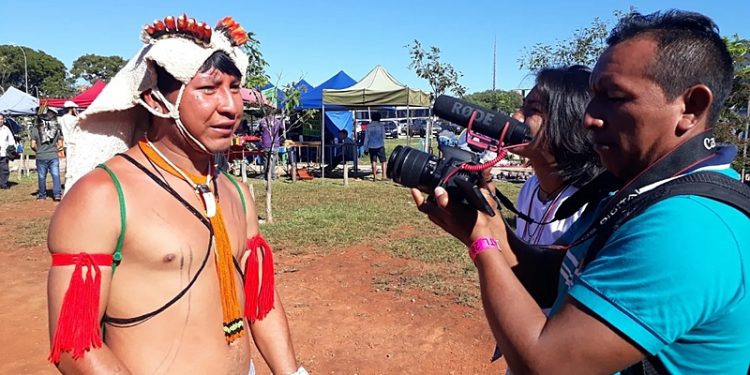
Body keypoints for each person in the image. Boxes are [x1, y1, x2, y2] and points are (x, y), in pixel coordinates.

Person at [412, 10, 749, 374]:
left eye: (614, 97)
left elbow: (547, 365)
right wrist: (484, 225)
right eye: (593, 97)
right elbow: (558, 281)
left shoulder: (689, 226)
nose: (589, 117)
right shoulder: (647, 193)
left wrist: (484, 245)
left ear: (691, 106)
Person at [48, 14, 305, 374]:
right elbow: (74, 346)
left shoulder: (237, 192)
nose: (231, 106)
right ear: (154, 101)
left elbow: (261, 302)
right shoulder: (101, 197)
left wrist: (292, 373)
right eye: (209, 89)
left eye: (234, 88)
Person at [509, 66, 602, 246]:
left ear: (569, 123)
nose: (516, 117)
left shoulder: (589, 207)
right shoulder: (530, 188)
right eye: (522, 106)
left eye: (533, 109)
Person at [31, 108, 63, 201]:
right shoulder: (57, 128)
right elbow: (60, 144)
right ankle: (57, 195)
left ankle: (42, 195)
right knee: (56, 175)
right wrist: (54, 150)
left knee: (41, 176)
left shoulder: (35, 129)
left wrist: (38, 150)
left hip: (41, 156)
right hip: (53, 155)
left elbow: (32, 145)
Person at [363, 112, 387, 180]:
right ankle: (384, 176)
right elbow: (384, 136)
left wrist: (366, 149)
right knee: (383, 161)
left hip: (371, 146)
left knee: (373, 161)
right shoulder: (381, 126)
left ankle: (374, 176)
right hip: (380, 145)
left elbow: (366, 138)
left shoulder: (369, 126)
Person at [258, 113, 282, 179]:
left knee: (265, 160)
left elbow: (260, 131)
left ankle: (265, 175)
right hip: (275, 143)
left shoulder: (262, 121)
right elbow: (281, 130)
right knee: (273, 160)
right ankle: (272, 175)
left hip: (265, 143)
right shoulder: (277, 121)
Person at [0, 114, 16, 189]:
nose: (0, 120)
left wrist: (12, 149)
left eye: (1, 119)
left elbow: (11, 140)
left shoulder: (6, 129)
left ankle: (3, 184)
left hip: (4, 153)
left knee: (4, 170)